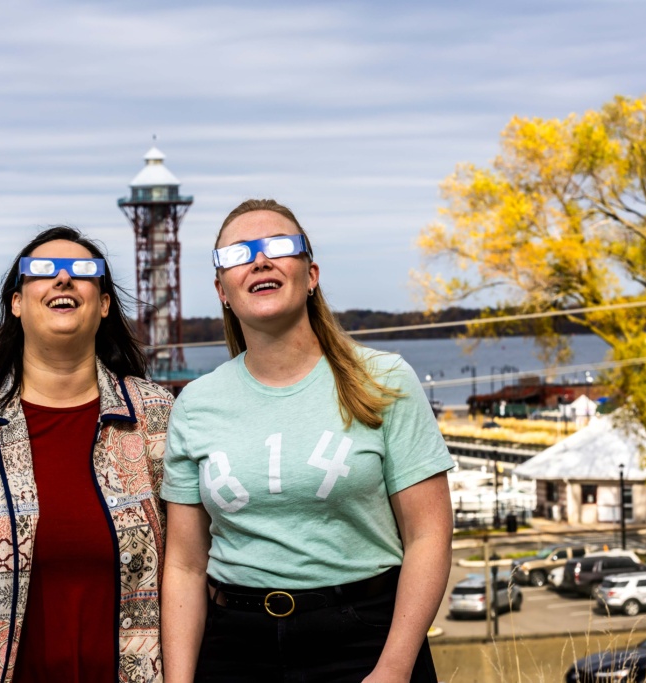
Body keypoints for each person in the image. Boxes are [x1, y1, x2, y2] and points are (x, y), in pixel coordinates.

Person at [160, 199, 454, 683]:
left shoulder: (384, 380)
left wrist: (395, 668)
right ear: (222, 291)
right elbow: (187, 566)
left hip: (366, 640)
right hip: (235, 646)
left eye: (278, 246)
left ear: (311, 274)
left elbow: (429, 536)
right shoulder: (196, 403)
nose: (259, 260)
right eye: (237, 254)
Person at [0, 226, 172, 683]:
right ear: (17, 303)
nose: (63, 280)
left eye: (83, 271)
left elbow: (189, 567)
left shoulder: (155, 418)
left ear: (103, 304)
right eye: (42, 271)